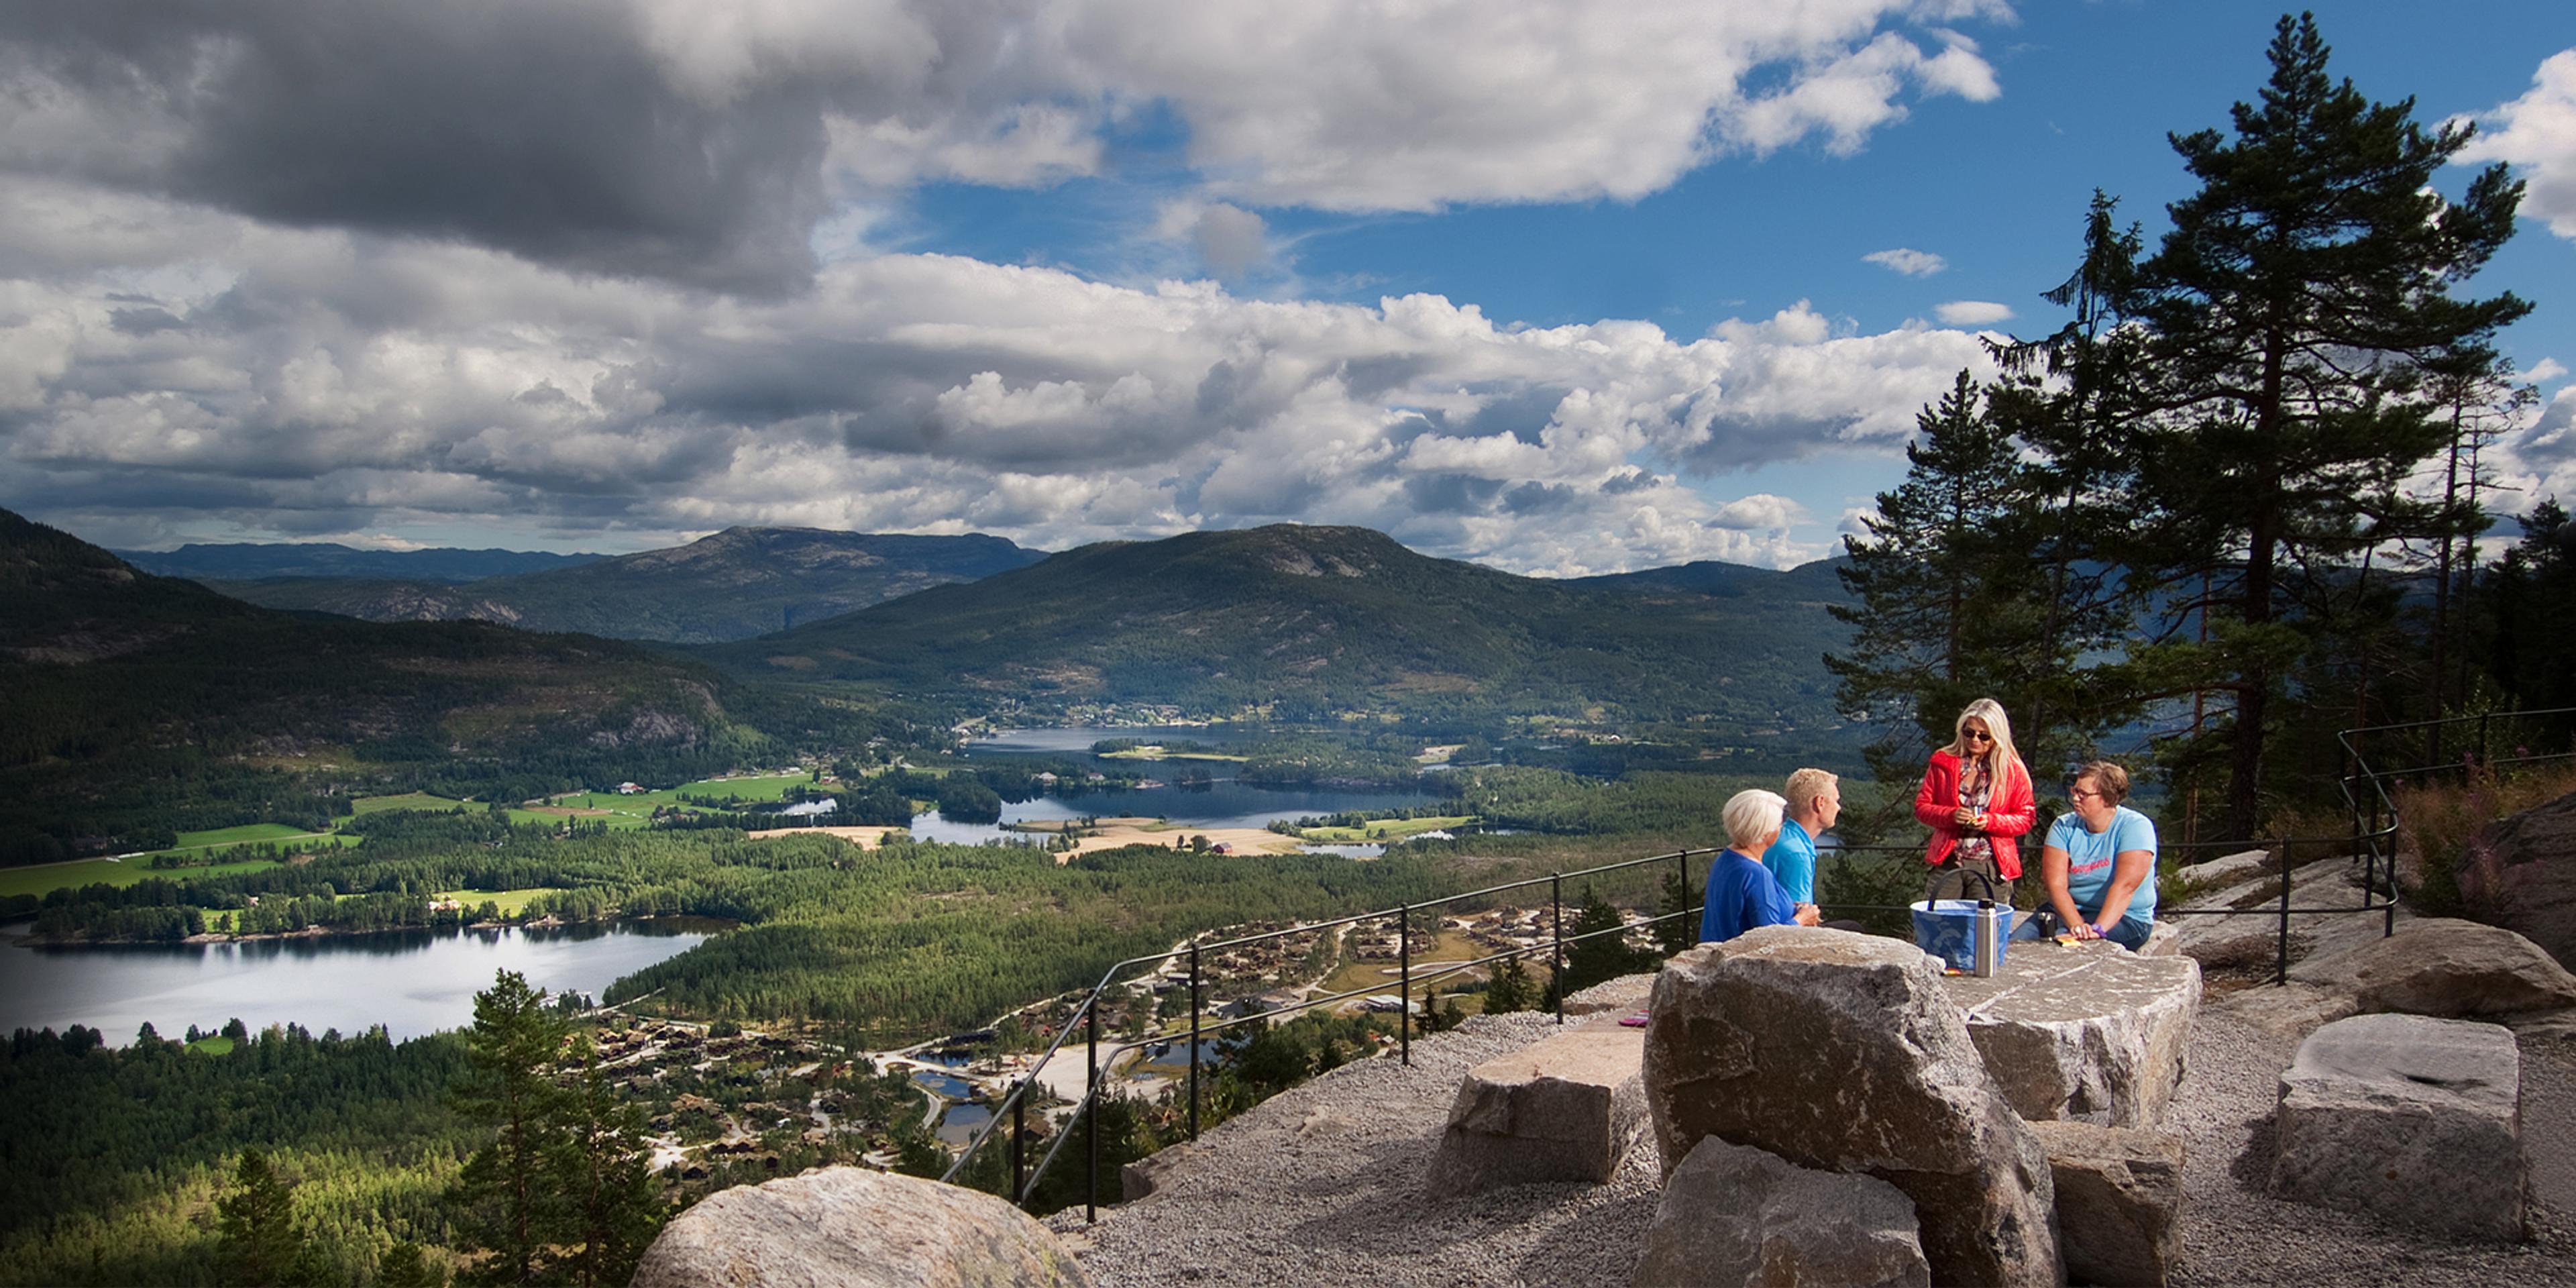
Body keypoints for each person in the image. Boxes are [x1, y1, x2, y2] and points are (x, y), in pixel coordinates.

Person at [2018, 761, 2159, 950]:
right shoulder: (2064, 826)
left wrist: (2098, 930)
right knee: (2013, 945)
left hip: (2125, 917)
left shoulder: (2135, 827)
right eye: (2074, 791)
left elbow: (2125, 887)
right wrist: (2076, 924)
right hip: (2071, 910)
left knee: (2058, 946)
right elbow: (2056, 885)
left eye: (2083, 794)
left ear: (2107, 799)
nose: (2075, 798)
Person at [1913, 698, 2036, 904]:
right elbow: (1922, 808)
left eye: (1984, 736)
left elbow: (2026, 818)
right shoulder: (1943, 762)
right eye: (1969, 733)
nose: (1975, 740)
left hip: (1991, 866)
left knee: (1985, 929)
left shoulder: (2012, 770)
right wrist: (1951, 815)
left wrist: (1989, 821)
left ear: (1997, 736)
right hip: (1948, 860)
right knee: (1938, 923)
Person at [1701, 789, 1821, 945]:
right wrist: (1802, 919)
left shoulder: (1726, 858)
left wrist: (1790, 908)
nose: (1781, 829)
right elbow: (1768, 938)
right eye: (1779, 825)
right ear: (1765, 834)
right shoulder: (1757, 874)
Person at [1764, 767, 1840, 904]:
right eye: (1835, 801)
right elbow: (1798, 918)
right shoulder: (1797, 854)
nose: (1838, 807)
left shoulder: (1781, 836)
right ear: (1820, 803)